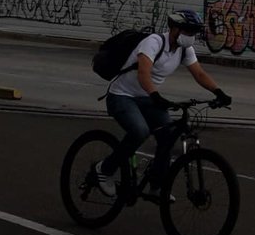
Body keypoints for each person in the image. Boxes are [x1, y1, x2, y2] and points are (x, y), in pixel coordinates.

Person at [94, 10, 232, 197]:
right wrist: (156, 96)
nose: (190, 36)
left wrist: (219, 92)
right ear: (174, 28)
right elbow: (144, 73)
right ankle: (105, 169)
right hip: (122, 96)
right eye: (187, 31)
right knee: (139, 131)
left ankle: (156, 186)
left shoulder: (184, 49)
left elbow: (199, 73)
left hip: (148, 98)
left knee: (167, 135)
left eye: (193, 33)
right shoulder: (154, 42)